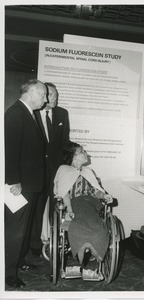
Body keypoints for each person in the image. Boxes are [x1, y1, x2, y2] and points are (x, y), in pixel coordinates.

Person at [4, 79, 47, 288]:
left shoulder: (28, 113)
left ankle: (19, 261)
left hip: (29, 184)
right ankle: (7, 273)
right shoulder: (15, 114)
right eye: (43, 95)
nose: (46, 100)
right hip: (19, 186)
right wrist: (14, 181)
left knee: (24, 228)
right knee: (15, 230)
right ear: (30, 92)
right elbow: (8, 151)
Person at [53, 141, 113, 279]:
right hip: (74, 203)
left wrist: (104, 195)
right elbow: (64, 193)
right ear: (73, 156)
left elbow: (95, 191)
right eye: (82, 151)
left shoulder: (88, 171)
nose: (86, 153)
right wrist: (69, 209)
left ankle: (90, 250)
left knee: (98, 225)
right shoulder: (64, 169)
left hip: (91, 203)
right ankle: (85, 250)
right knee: (84, 222)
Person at [29, 82, 70, 256]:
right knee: (36, 209)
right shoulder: (33, 113)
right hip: (38, 172)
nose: (55, 98)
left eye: (56, 95)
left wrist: (66, 166)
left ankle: (57, 244)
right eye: (51, 95)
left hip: (57, 171)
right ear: (44, 96)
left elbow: (65, 142)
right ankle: (35, 246)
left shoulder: (62, 113)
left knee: (58, 208)